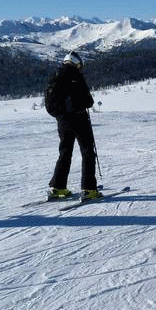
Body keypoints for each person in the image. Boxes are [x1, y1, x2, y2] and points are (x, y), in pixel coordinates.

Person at [45, 51, 101, 201]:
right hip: (79, 119)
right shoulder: (76, 76)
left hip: (62, 121)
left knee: (65, 152)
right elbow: (88, 101)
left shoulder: (56, 76)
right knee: (88, 152)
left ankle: (58, 187)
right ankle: (89, 189)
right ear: (76, 63)